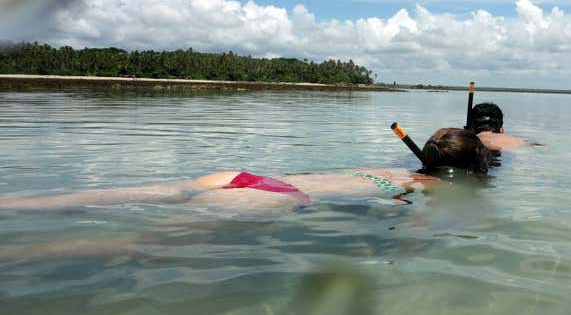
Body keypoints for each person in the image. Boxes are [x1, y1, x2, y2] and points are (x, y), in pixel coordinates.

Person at [0, 128, 492, 212]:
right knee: (127, 249)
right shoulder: (427, 190)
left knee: (64, 201)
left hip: (239, 176)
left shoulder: (382, 165)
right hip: (274, 199)